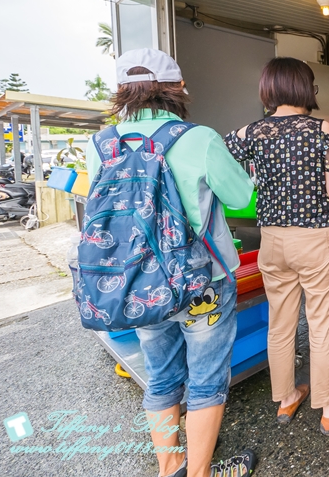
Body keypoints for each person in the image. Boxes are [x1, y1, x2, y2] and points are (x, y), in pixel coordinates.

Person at [86, 48, 257, 477]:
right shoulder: (197, 137)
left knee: (161, 378)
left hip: (138, 280)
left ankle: (170, 468)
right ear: (176, 88)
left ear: (123, 92)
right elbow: (239, 198)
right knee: (205, 380)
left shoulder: (101, 142)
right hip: (203, 280)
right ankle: (199, 473)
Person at [224, 57, 329, 435]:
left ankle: (287, 396)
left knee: (280, 323)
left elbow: (222, 172)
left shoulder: (250, 133)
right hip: (316, 237)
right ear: (305, 88)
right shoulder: (320, 129)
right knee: (322, 324)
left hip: (272, 241)